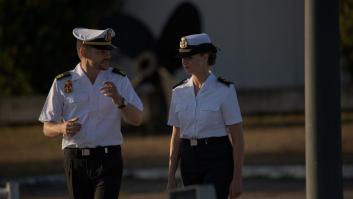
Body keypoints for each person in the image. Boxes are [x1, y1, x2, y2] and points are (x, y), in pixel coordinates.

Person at [39, 27, 143, 199]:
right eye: (101, 51)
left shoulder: (119, 79)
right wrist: (62, 128)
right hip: (75, 160)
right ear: (83, 51)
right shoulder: (63, 82)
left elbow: (137, 119)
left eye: (108, 50)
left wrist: (119, 100)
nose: (108, 55)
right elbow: (46, 127)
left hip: (109, 159)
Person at [167, 33, 244, 199]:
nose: (184, 61)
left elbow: (238, 138)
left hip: (217, 158)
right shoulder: (178, 92)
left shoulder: (225, 90)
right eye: (182, 57)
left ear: (205, 56)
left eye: (189, 56)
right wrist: (171, 175)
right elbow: (176, 136)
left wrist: (237, 178)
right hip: (188, 160)